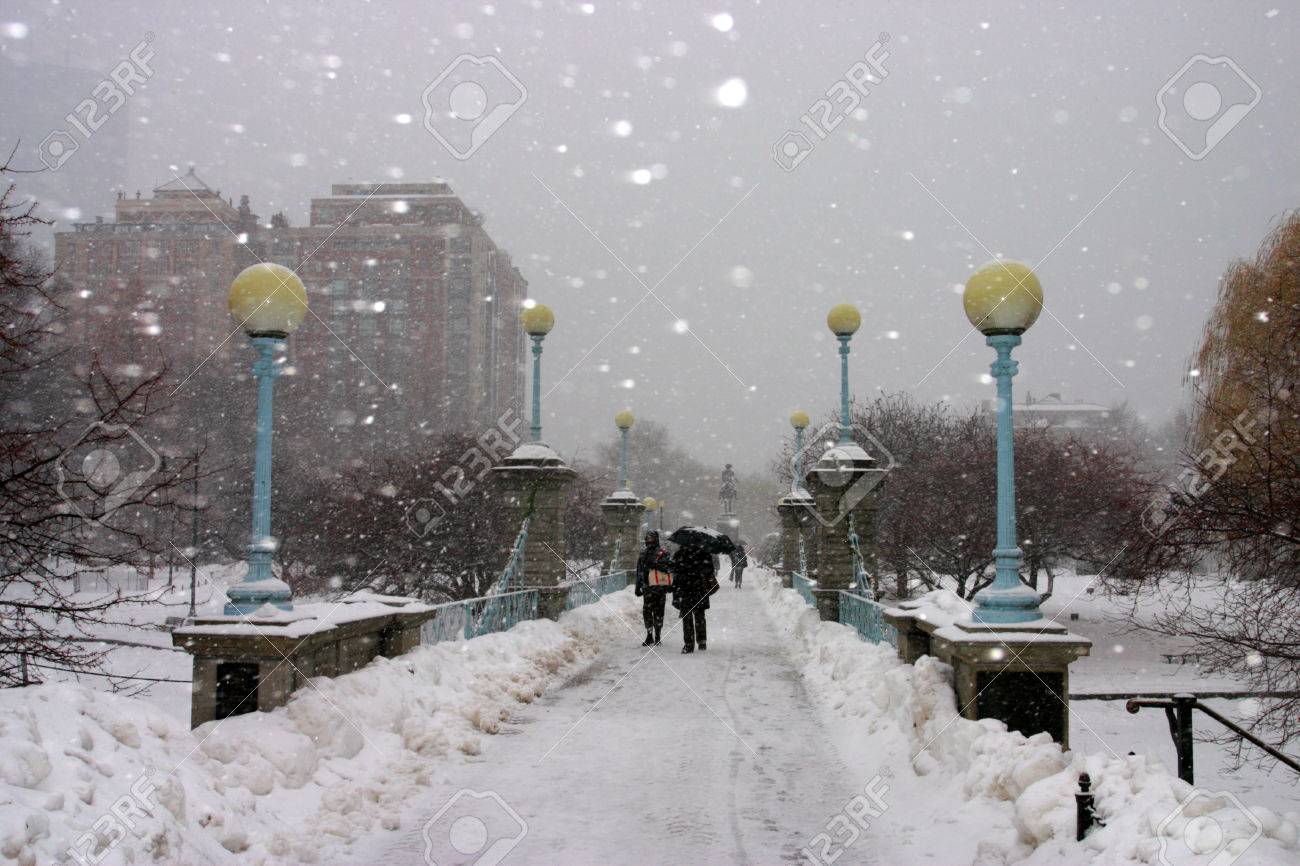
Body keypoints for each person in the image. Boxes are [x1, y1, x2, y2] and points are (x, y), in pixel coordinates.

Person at [671, 541, 717, 653]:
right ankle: (700, 641)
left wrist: (676, 593)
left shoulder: (680, 554)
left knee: (690, 618)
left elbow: (675, 573)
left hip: (688, 590)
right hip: (696, 590)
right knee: (698, 617)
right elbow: (710, 570)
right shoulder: (704, 554)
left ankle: (689, 644)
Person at [634, 530, 672, 647]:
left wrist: (656, 565)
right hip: (647, 587)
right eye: (648, 538)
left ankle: (658, 635)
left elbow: (669, 568)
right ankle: (649, 634)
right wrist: (638, 586)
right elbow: (639, 571)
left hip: (659, 587)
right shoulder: (643, 553)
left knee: (659, 611)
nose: (649, 540)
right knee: (647, 611)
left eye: (651, 538)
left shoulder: (663, 552)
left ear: (656, 539)